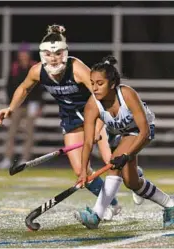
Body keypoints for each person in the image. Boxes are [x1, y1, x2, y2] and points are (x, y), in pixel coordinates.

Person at [0, 24, 122, 220]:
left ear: (65, 52)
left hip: (93, 114)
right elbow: (23, 89)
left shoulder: (77, 68)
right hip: (70, 119)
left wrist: (98, 126)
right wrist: (11, 108)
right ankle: (112, 205)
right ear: (42, 55)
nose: (53, 58)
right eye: (48, 53)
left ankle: (135, 179)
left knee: (111, 163)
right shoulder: (37, 71)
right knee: (81, 171)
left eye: (57, 53)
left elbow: (101, 95)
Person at [74, 55, 174, 229]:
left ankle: (96, 215)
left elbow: (143, 132)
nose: (95, 88)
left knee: (115, 162)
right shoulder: (92, 105)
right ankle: (170, 205)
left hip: (143, 129)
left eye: (100, 83)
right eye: (92, 83)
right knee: (131, 182)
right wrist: (83, 171)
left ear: (112, 84)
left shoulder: (126, 94)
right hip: (124, 134)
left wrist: (126, 155)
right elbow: (88, 142)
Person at [0, 42, 44, 169]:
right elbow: (9, 87)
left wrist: (39, 104)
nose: (23, 56)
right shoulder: (15, 68)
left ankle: (25, 159)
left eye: (25, 53)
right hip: (18, 104)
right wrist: (10, 105)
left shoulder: (35, 67)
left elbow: (41, 87)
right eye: (21, 53)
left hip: (31, 104)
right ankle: (7, 158)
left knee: (29, 132)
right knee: (11, 131)